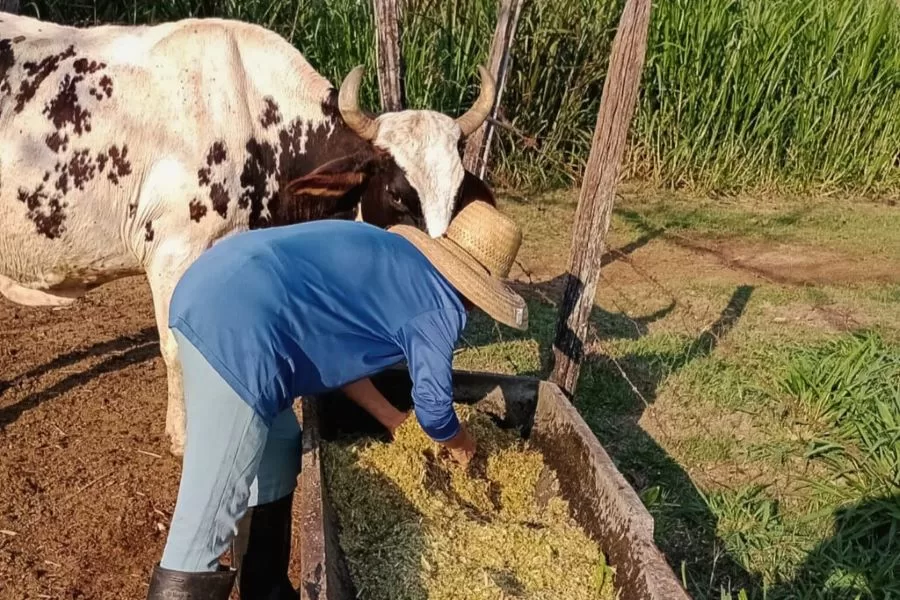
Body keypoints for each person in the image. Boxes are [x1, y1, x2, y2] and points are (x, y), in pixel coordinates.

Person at [146, 201, 528, 599]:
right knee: (205, 521)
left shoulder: (396, 259)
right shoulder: (440, 303)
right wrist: (462, 444)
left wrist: (394, 418)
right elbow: (434, 409)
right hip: (242, 329)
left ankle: (266, 587)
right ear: (474, 294)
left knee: (277, 448)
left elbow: (335, 351)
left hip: (214, 283)